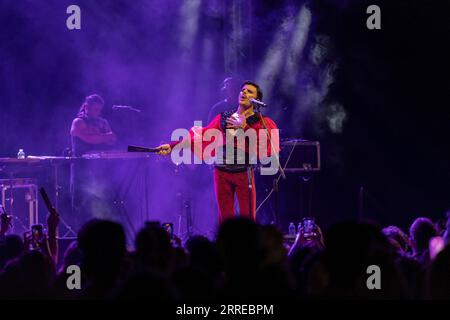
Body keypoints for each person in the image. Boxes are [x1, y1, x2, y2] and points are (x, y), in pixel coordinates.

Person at [156, 81, 279, 223]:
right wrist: (172, 146)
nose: (244, 92)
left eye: (249, 91)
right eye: (243, 90)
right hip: (221, 173)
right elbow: (200, 137)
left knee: (248, 219)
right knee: (225, 220)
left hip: (244, 174)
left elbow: (263, 147)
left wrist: (244, 127)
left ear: (256, 100)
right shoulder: (224, 117)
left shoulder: (260, 122)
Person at [69, 94, 117, 228]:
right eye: (95, 109)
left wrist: (98, 136)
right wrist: (103, 137)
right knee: (82, 206)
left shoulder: (103, 122)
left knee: (103, 202)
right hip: (81, 170)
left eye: (99, 110)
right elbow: (88, 139)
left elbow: (113, 139)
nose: (98, 113)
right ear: (86, 107)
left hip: (100, 170)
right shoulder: (78, 122)